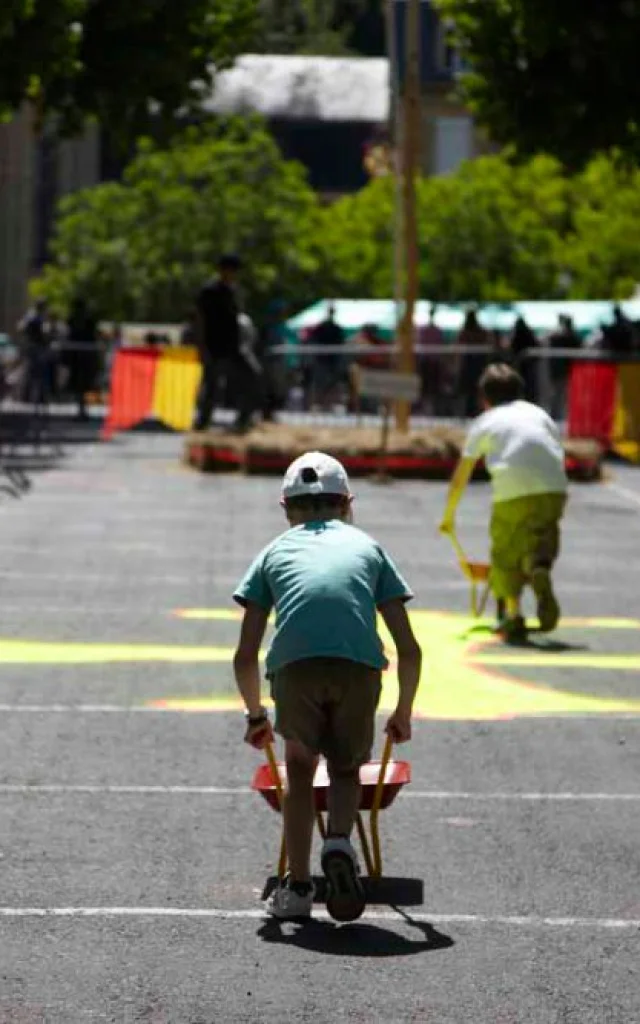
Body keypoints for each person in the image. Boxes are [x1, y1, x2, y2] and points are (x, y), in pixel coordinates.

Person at [233, 452, 422, 922]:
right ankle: (339, 842)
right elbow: (410, 648)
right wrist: (403, 711)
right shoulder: (368, 548)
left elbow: (244, 654)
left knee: (298, 772)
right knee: (345, 767)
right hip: (358, 668)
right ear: (347, 503)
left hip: (295, 668)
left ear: (285, 508)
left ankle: (297, 890)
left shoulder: (273, 552)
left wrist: (256, 713)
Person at [439, 363, 568, 645]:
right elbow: (556, 449)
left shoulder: (486, 421)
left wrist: (449, 516)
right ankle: (538, 564)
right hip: (554, 486)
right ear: (520, 391)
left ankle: (513, 615)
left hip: (512, 489)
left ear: (484, 398)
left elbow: (461, 475)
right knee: (541, 535)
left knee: (505, 553)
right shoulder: (538, 413)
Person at [192, 254, 260, 432]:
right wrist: (201, 347)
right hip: (215, 347)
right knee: (212, 387)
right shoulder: (209, 291)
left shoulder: (233, 291)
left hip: (235, 346)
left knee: (252, 377)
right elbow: (200, 320)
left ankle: (243, 420)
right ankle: (202, 423)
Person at [65, 297, 99, 420]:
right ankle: (82, 410)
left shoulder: (84, 320)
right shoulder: (75, 320)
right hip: (80, 357)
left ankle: (82, 410)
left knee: (82, 385)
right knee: (82, 385)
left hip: (82, 357)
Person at [308, 304, 346, 409]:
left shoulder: (337, 328)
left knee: (332, 383)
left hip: (333, 361)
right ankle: (317, 403)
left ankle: (328, 404)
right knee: (320, 383)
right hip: (322, 361)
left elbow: (341, 343)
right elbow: (313, 340)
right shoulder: (321, 327)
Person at [455, 309, 489, 418]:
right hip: (475, 364)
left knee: (471, 391)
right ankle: (472, 412)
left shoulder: (466, 331)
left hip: (471, 364)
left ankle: (471, 412)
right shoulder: (479, 331)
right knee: (473, 390)